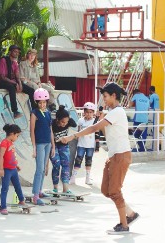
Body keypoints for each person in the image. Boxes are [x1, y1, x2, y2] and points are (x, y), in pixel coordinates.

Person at [59, 82, 139, 234]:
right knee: (106, 190)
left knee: (114, 191)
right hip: (114, 156)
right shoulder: (112, 114)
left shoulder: (117, 112)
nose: (103, 100)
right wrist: (101, 119)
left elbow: (94, 128)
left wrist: (72, 136)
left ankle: (124, 225)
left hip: (121, 156)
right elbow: (104, 131)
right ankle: (130, 214)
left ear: (114, 96)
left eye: (105, 97)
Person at [30, 88, 55, 205]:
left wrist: (53, 146)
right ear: (36, 102)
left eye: (44, 102)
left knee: (44, 169)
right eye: (40, 102)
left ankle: (39, 191)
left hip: (48, 143)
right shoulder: (34, 113)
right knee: (39, 169)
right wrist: (34, 147)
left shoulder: (48, 113)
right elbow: (32, 131)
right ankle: (35, 196)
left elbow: (50, 130)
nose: (42, 104)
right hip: (39, 144)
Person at [0, 45, 36, 118]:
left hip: (12, 82)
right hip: (2, 82)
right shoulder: (3, 60)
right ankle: (15, 111)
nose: (16, 53)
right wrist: (15, 83)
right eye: (15, 51)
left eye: (18, 52)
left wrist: (20, 84)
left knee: (31, 90)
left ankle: (34, 111)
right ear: (10, 52)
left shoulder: (14, 62)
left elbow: (17, 75)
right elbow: (2, 77)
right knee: (12, 88)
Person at [0, 124, 25, 215]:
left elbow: (12, 156)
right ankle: (3, 207)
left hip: (13, 169)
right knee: (5, 188)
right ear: (12, 134)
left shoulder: (11, 143)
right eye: (17, 135)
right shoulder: (4, 143)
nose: (17, 137)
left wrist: (16, 165)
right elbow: (1, 156)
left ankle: (21, 200)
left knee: (17, 186)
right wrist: (1, 169)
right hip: (6, 170)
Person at [51, 105, 76, 193]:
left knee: (66, 164)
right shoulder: (53, 124)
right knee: (57, 164)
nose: (64, 124)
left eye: (66, 122)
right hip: (53, 146)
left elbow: (75, 124)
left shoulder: (68, 122)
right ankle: (55, 187)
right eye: (62, 122)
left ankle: (66, 188)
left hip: (64, 145)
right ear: (57, 119)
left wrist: (68, 118)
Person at [70, 102, 96, 185]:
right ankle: (73, 177)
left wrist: (97, 145)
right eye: (87, 112)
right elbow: (79, 131)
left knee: (88, 161)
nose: (89, 114)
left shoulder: (94, 121)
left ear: (93, 113)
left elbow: (97, 132)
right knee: (78, 160)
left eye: (91, 112)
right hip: (81, 144)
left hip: (90, 145)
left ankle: (87, 178)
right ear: (84, 112)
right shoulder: (80, 121)